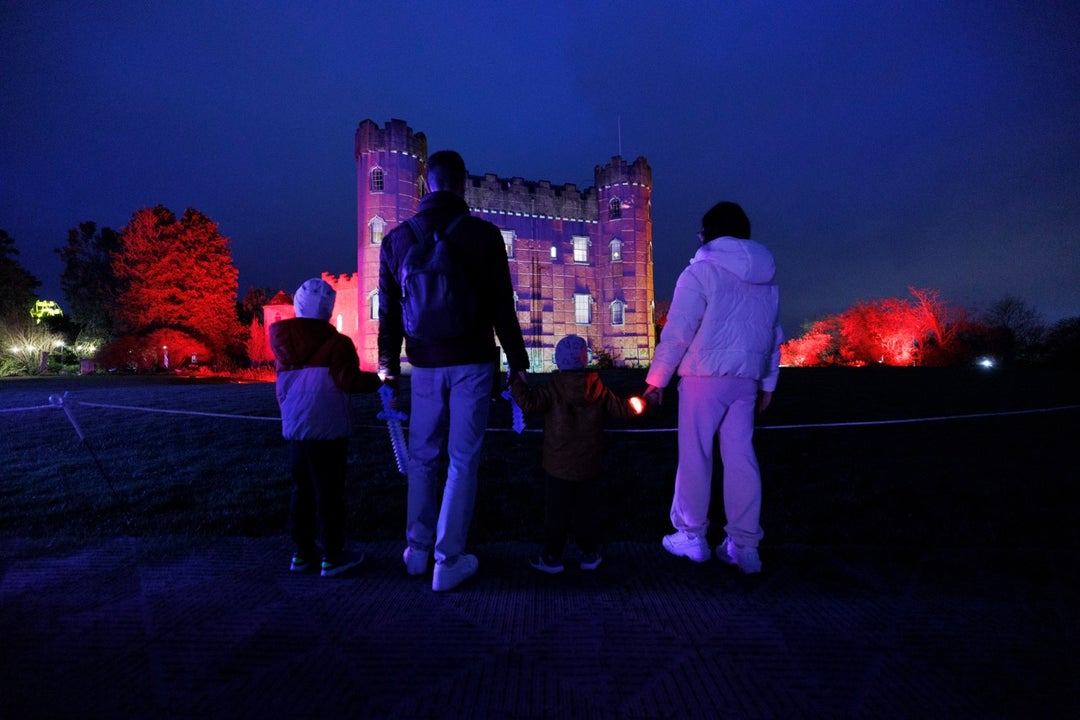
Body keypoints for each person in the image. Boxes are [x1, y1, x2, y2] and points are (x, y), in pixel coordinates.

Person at [378, 149, 529, 592]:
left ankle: (417, 551)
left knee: (423, 455)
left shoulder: (397, 239)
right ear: (462, 184)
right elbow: (503, 306)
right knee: (463, 459)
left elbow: (388, 315)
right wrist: (518, 366)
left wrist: (387, 370)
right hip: (473, 361)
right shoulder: (483, 236)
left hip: (423, 363)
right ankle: (449, 559)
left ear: (426, 183)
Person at [644, 202, 782, 574]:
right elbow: (773, 335)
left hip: (703, 378)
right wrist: (767, 383)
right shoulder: (765, 276)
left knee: (695, 457)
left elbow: (677, 332)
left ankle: (691, 536)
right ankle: (745, 545)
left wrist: (657, 381)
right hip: (745, 382)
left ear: (708, 234)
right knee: (741, 460)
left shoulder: (700, 272)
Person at [270, 277, 381, 578]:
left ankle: (302, 553)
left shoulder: (282, 341)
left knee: (301, 490)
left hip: (297, 427)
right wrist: (380, 381)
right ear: (328, 310)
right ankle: (333, 556)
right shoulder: (338, 344)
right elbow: (349, 381)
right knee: (329, 493)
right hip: (329, 427)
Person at [511, 334, 645, 574]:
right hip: (588, 464)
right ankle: (588, 554)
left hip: (558, 465)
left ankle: (552, 557)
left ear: (559, 361)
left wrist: (517, 383)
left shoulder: (554, 386)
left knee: (556, 513)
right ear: (585, 359)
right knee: (586, 512)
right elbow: (622, 409)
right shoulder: (597, 385)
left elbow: (530, 403)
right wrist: (644, 402)